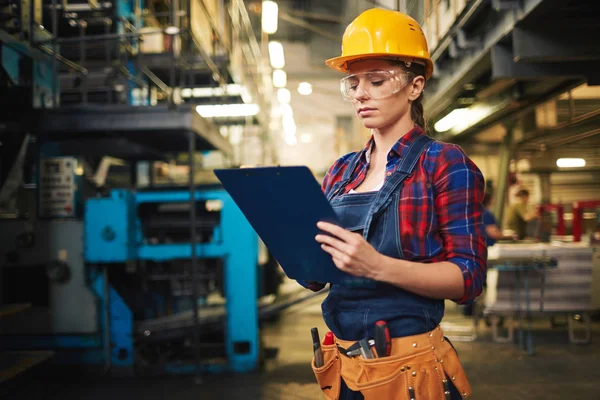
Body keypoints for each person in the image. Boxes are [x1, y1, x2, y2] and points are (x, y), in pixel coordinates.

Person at [301, 8, 487, 400]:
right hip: (346, 372)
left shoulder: (444, 163)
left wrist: (378, 266)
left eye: (377, 80)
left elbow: (468, 280)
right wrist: (289, 240)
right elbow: (315, 278)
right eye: (353, 83)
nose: (360, 93)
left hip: (411, 375)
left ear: (415, 86)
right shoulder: (340, 172)